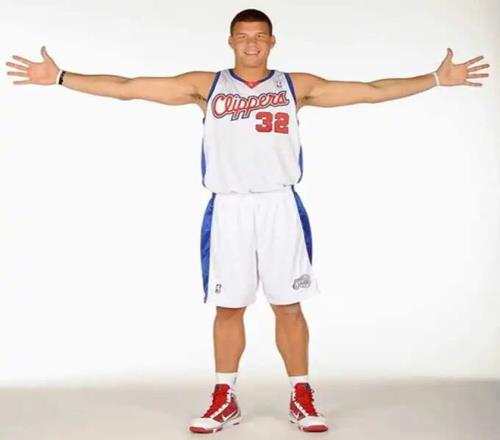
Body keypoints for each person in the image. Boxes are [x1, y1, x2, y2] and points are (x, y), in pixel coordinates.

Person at [6, 7, 490, 435]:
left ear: (272, 41)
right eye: (243, 36)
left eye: (260, 36)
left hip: (280, 205)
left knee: (288, 305)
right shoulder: (206, 85)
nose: (252, 43)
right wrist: (61, 76)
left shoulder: (295, 86)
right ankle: (225, 397)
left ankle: (301, 395)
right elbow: (128, 88)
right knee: (228, 307)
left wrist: (434, 78)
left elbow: (370, 92)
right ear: (231, 41)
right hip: (229, 207)